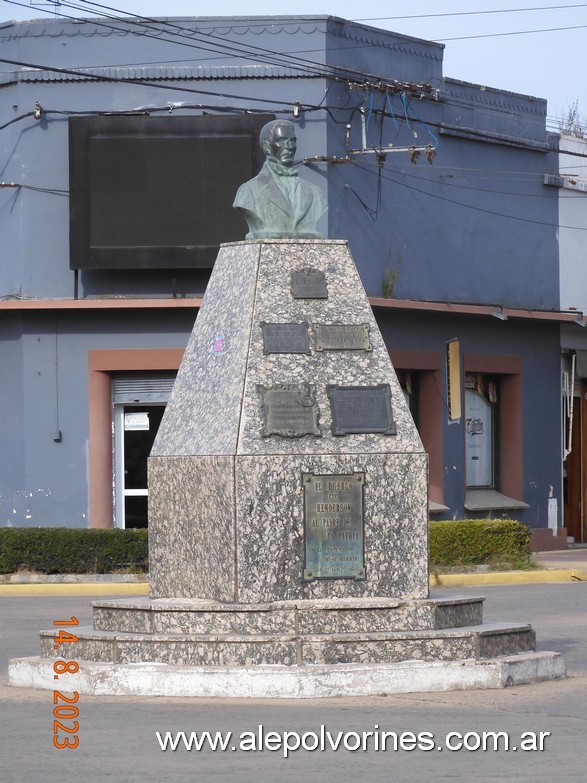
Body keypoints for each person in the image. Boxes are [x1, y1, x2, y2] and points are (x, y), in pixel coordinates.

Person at [233, 119, 327, 239]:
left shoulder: (315, 193)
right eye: (282, 141)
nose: (289, 147)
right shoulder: (248, 191)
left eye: (292, 141)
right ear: (267, 147)